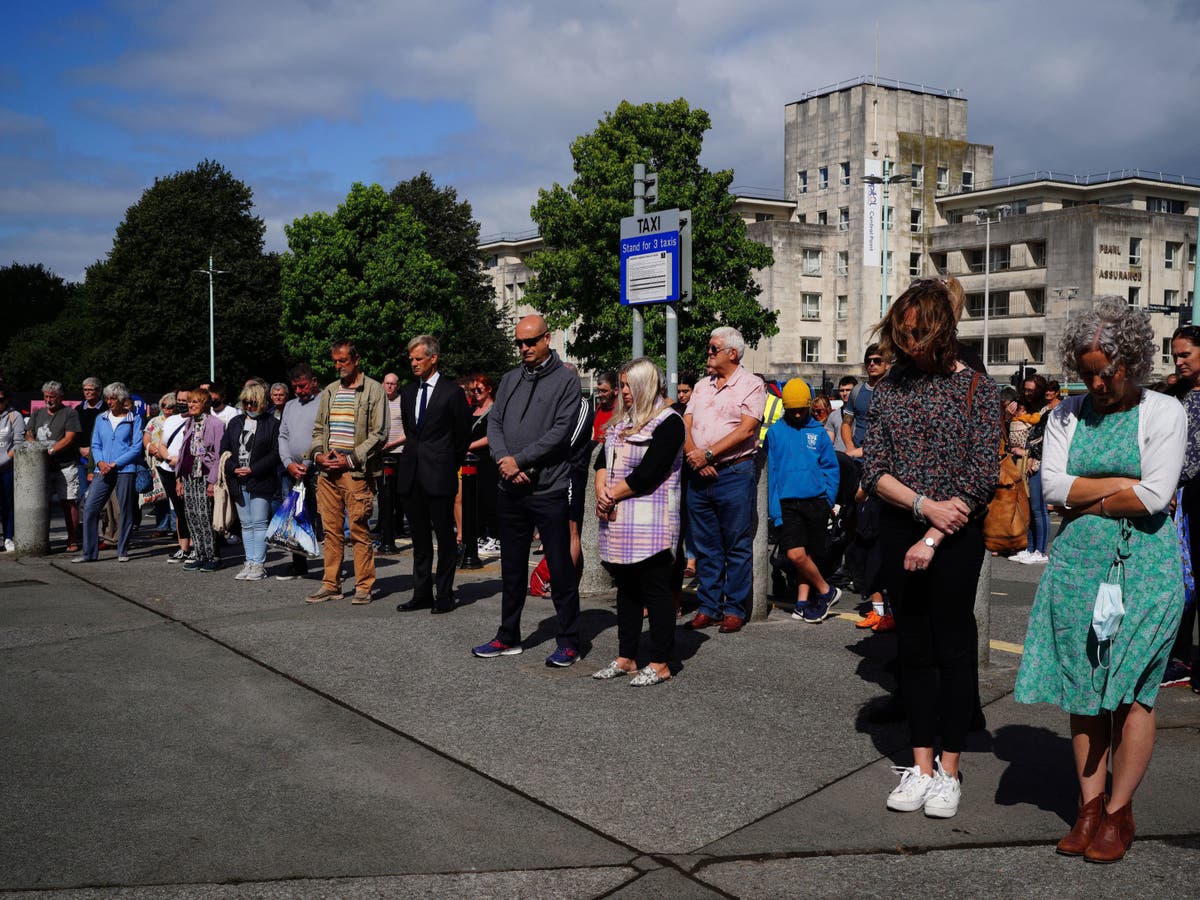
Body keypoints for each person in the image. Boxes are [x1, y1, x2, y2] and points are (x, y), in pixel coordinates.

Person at [1015, 298, 1185, 862]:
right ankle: (1089, 807)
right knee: (1085, 689)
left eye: (1105, 371)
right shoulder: (1066, 413)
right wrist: (1121, 484)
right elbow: (1051, 491)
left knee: (1134, 691)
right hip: (1077, 568)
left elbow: (1156, 496)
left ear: (1131, 361)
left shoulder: (1165, 412)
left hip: (1147, 569)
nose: (1095, 381)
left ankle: (1118, 812)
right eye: (1086, 370)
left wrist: (1090, 489)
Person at [861, 277, 1000, 820]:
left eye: (918, 331)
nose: (909, 341)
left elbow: (980, 475)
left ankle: (949, 768)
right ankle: (919, 767)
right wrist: (923, 509)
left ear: (942, 328)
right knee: (913, 649)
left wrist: (938, 527)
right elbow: (875, 469)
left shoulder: (979, 390)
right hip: (904, 527)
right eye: (903, 332)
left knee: (953, 648)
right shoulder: (891, 387)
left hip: (957, 537)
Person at [472, 314, 584, 666]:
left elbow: (561, 431)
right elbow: (496, 422)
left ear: (547, 339)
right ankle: (508, 636)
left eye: (530, 342)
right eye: (519, 343)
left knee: (560, 567)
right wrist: (504, 459)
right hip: (510, 487)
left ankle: (569, 640)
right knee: (513, 568)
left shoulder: (567, 381)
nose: (524, 348)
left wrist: (521, 462)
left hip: (548, 488)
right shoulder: (509, 380)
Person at [592, 358, 685, 686]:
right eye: (622, 385)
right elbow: (601, 460)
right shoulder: (621, 422)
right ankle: (626, 657)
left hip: (652, 521)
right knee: (627, 590)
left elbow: (649, 473)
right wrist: (602, 489)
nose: (623, 392)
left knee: (656, 591)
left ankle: (660, 662)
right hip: (620, 518)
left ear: (646, 385)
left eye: (630, 385)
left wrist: (611, 495)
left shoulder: (669, 422)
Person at [682, 326, 766, 634]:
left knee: (736, 544)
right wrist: (696, 456)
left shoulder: (752, 385)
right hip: (699, 473)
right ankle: (708, 606)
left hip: (733, 472)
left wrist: (708, 455)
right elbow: (686, 422)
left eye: (713, 348)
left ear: (732, 353)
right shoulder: (703, 386)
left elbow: (747, 430)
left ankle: (734, 609)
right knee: (705, 544)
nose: (708, 353)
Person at [305, 340, 387, 604]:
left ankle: (364, 586)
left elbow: (379, 434)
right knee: (330, 531)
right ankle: (331, 584)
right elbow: (318, 429)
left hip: (356, 472)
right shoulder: (329, 391)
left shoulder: (374, 390)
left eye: (343, 361)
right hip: (327, 472)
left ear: (356, 359)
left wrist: (349, 460)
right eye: (335, 361)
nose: (338, 366)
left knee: (359, 530)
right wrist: (319, 454)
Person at [395, 336, 471, 614]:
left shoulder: (451, 392)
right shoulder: (408, 392)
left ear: (433, 358)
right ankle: (421, 592)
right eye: (411, 359)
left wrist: (448, 464)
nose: (413, 364)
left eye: (418, 359)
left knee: (444, 538)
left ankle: (445, 594)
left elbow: (462, 436)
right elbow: (411, 433)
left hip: (439, 475)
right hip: (412, 474)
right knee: (420, 539)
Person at [765, 378, 841, 622]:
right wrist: (775, 511)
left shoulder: (818, 432)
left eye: (801, 409)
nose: (797, 414)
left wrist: (828, 500)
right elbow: (772, 473)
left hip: (816, 501)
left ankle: (801, 603)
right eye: (792, 409)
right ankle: (827, 591)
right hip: (788, 504)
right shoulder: (775, 433)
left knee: (807, 554)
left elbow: (831, 468)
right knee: (796, 554)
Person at [72, 383, 145, 563]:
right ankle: (89, 553)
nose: (109, 402)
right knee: (89, 508)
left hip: (125, 470)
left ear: (121, 400)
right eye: (107, 398)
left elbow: (136, 448)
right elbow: (95, 444)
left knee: (125, 510)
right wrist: (100, 462)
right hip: (102, 469)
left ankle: (123, 550)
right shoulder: (101, 418)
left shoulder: (134, 419)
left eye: (113, 398)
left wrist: (115, 463)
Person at [1165, 324, 1200, 690]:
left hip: (1193, 495)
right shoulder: (1179, 394)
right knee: (1184, 582)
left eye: (1185, 354)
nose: (1178, 361)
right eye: (1176, 354)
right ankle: (1180, 657)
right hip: (1183, 501)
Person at [220, 382, 281, 581]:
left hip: (261, 479)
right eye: (246, 402)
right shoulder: (235, 422)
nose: (249, 407)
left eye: (253, 403)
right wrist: (232, 467)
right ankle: (249, 561)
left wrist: (253, 469)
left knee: (260, 522)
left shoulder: (272, 424)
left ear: (262, 402)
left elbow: (275, 454)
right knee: (246, 524)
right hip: (238, 480)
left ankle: (259, 564)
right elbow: (225, 450)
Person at [278, 363, 323, 579]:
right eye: (295, 387)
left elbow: (323, 436)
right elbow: (283, 436)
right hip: (293, 470)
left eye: (302, 386)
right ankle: (298, 563)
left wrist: (307, 462)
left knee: (319, 517)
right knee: (295, 517)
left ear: (313, 382)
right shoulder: (290, 406)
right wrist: (288, 462)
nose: (298, 391)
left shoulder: (324, 402)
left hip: (315, 470)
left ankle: (329, 567)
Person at [26, 381, 82, 552]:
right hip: (41, 467)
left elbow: (69, 437)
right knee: (43, 504)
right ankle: (43, 541)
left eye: (52, 397)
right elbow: (29, 433)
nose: (49, 400)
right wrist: (36, 448)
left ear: (60, 397)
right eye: (46, 397)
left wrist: (49, 451)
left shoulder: (69, 413)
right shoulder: (37, 413)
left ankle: (72, 539)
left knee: (68, 502)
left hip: (65, 464)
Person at [175, 388, 225, 572]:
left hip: (205, 475)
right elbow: (183, 451)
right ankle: (200, 553)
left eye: (195, 401)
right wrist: (179, 479)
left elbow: (220, 454)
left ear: (204, 404)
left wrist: (213, 481)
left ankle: (213, 556)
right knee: (191, 516)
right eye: (190, 401)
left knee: (205, 516)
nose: (191, 405)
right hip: (189, 475)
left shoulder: (216, 424)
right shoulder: (189, 422)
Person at [147, 389, 193, 564]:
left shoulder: (196, 420)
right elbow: (162, 443)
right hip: (168, 468)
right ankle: (183, 548)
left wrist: (179, 462)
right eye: (179, 400)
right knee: (179, 511)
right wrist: (168, 458)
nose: (181, 403)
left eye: (185, 400)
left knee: (191, 511)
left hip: (187, 470)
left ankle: (195, 546)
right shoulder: (172, 420)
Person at [468, 374, 499, 553]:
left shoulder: (494, 410)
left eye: (479, 389)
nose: (476, 393)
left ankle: (495, 536)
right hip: (472, 462)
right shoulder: (472, 409)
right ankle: (480, 534)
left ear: (489, 389)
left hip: (487, 460)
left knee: (490, 498)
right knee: (475, 500)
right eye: (473, 390)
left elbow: (491, 436)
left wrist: (469, 446)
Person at [376, 372, 406, 554]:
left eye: (393, 384)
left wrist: (392, 443)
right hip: (380, 454)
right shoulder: (378, 403)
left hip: (399, 452)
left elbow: (409, 430)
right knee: (382, 493)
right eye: (387, 383)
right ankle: (383, 527)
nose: (389, 386)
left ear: (397, 385)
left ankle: (397, 526)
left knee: (398, 493)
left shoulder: (403, 402)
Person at [0, 387, 26, 551]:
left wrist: (2, 462)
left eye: (1, 399)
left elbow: (18, 444)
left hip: (7, 469)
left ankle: (8, 537)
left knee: (7, 504)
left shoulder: (14, 416)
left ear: (7, 400)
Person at [76, 377, 104, 505]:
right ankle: (83, 524)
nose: (87, 392)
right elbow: (73, 433)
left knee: (100, 495)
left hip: (101, 458)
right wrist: (80, 449)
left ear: (98, 391)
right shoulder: (78, 410)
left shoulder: (106, 409)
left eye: (90, 390)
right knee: (82, 494)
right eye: (85, 390)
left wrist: (93, 451)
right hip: (81, 458)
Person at [828, 376, 857, 454]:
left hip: (857, 458)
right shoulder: (833, 415)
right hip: (839, 458)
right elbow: (829, 443)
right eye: (842, 390)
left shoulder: (863, 413)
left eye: (848, 390)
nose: (844, 393)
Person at [592, 371, 617, 441]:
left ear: (615, 390)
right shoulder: (600, 407)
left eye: (604, 391)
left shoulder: (621, 411)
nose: (599, 394)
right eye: (598, 390)